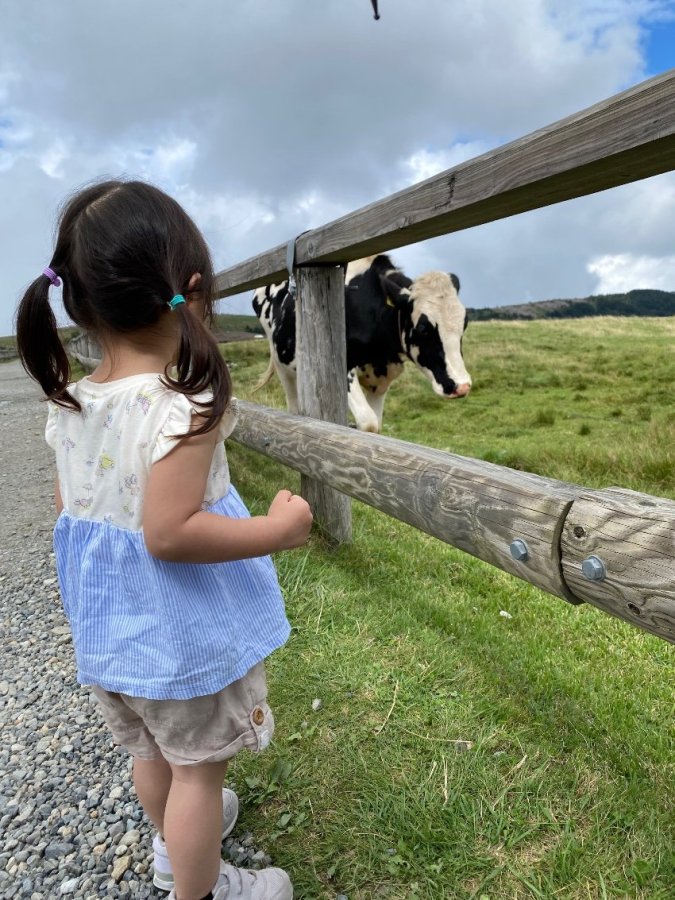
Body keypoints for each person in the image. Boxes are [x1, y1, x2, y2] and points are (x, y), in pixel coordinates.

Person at [16, 180, 313, 900]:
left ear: (79, 303)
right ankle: (201, 887)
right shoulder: (184, 404)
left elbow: (77, 514)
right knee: (196, 772)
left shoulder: (75, 400)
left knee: (152, 753)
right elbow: (170, 533)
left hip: (110, 635)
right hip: (178, 634)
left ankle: (173, 848)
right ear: (192, 289)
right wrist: (279, 529)